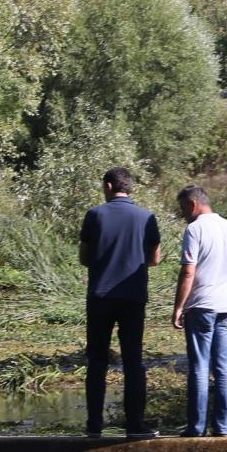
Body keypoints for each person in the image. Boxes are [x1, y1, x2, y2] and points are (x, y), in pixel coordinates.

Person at [171, 186, 227, 437]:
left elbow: (188, 271)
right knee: (224, 368)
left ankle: (196, 427)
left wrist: (179, 306)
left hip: (201, 305)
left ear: (192, 204)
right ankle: (222, 426)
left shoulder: (195, 229)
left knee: (200, 367)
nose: (183, 215)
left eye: (182, 209)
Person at [80, 167, 162, 438]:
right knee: (133, 361)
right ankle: (135, 424)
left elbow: (84, 257)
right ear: (129, 187)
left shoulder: (94, 215)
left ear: (108, 185)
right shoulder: (147, 217)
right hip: (133, 297)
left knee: (97, 361)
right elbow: (155, 258)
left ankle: (94, 425)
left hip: (100, 296)